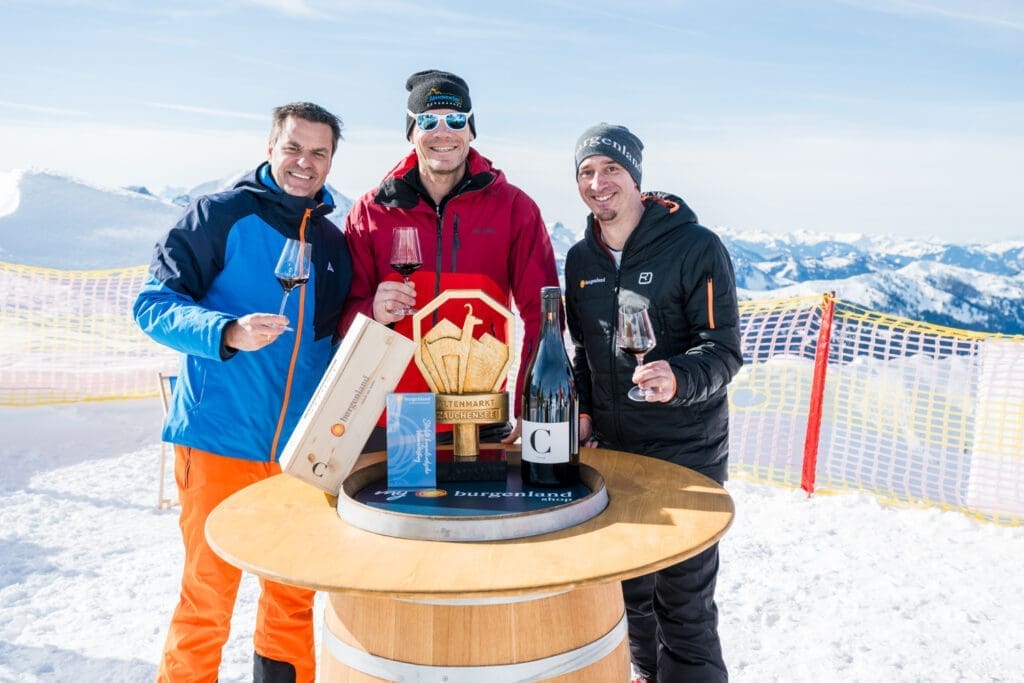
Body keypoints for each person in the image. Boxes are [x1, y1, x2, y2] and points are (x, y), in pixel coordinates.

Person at [133, 102, 352, 683]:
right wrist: (225, 331)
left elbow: (327, 351)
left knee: (292, 602)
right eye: (293, 148)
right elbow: (151, 306)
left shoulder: (333, 245)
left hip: (293, 462)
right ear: (271, 148)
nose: (304, 163)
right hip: (217, 442)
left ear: (332, 162)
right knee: (207, 599)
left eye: (319, 152)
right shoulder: (219, 216)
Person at [564, 123, 743, 682]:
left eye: (611, 169)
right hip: (616, 451)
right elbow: (582, 354)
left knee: (683, 604)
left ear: (636, 178)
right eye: (586, 172)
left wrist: (680, 377)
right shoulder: (580, 260)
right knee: (630, 595)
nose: (599, 182)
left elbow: (724, 351)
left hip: (686, 451)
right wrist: (586, 411)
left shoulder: (696, 247)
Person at [340, 69, 559, 448]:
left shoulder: (514, 208)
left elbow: (544, 311)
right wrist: (372, 310)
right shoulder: (372, 211)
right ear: (411, 132)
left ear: (471, 130)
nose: (444, 132)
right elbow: (342, 316)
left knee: (481, 508)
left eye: (456, 120)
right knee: (394, 509)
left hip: (478, 409)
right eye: (428, 121)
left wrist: (531, 396)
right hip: (395, 412)